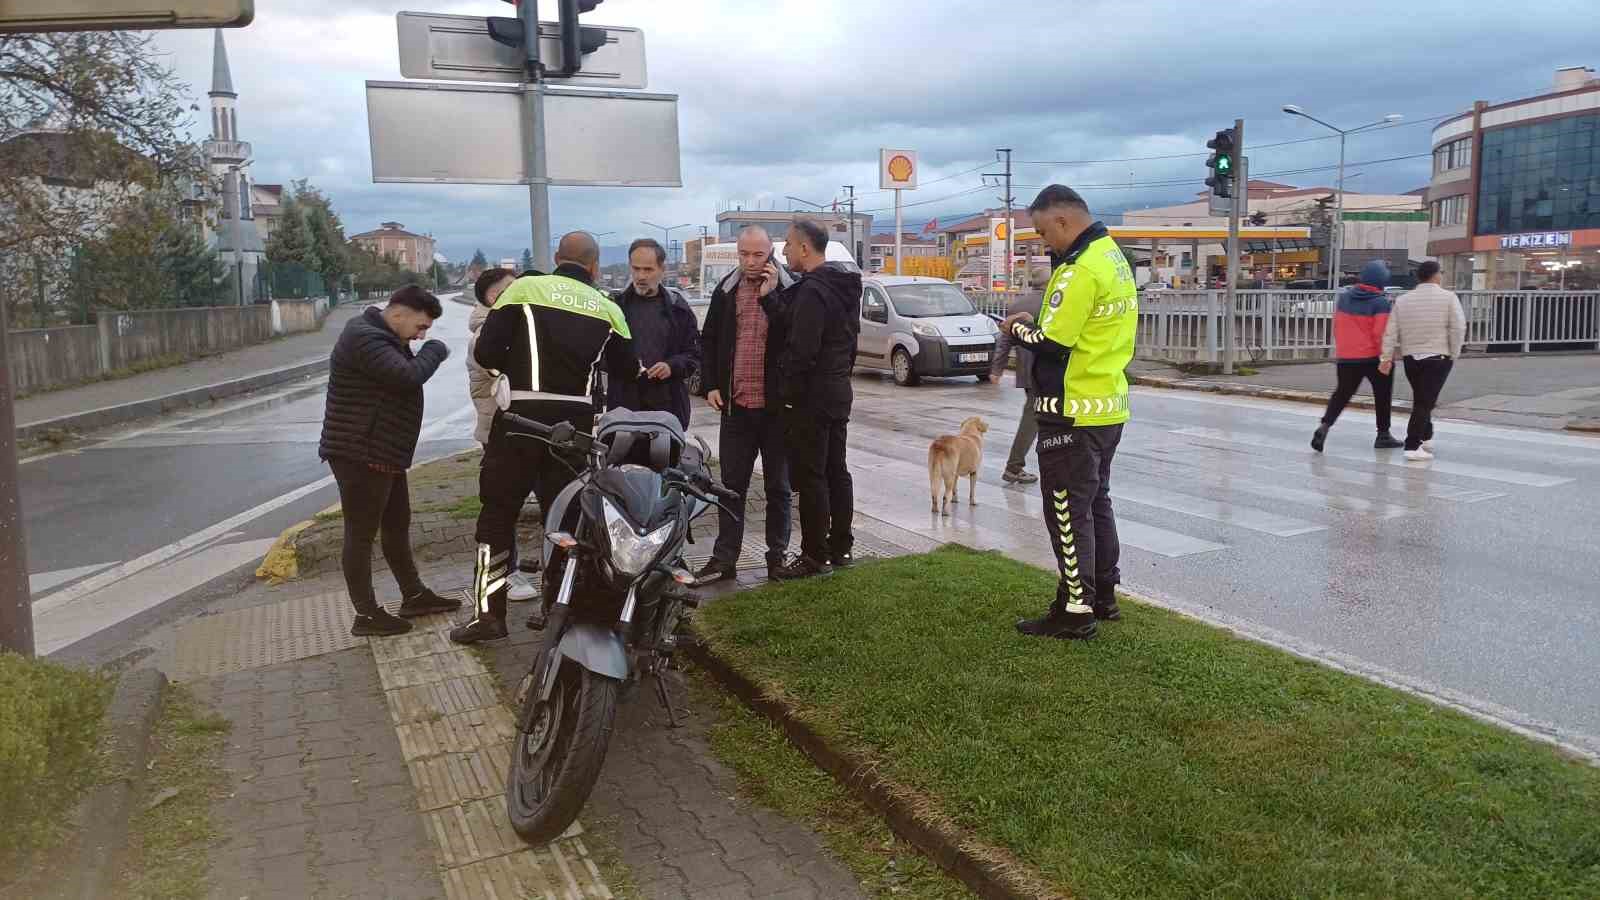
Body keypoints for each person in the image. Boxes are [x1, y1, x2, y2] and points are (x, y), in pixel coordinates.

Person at [450, 232, 637, 644]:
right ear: (592, 266)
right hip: (574, 430)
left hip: (519, 420)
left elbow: (486, 354)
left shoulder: (523, 289)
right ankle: (557, 609)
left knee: (496, 516)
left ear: (556, 258)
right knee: (567, 521)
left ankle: (488, 615)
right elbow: (628, 367)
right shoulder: (609, 308)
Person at [1002, 185, 1137, 641]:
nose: (1044, 243)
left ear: (1061, 221)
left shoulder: (1079, 270)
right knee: (1097, 500)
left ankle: (1075, 610)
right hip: (1106, 402)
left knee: (1065, 508)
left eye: (1043, 231)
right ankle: (1104, 595)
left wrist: (1019, 329)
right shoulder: (1114, 258)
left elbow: (1054, 342)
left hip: (1072, 408)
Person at [318, 286, 460, 636]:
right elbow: (407, 376)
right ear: (398, 314)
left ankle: (414, 595)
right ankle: (365, 615)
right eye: (421, 326)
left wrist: (421, 347)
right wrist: (435, 350)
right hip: (360, 452)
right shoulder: (365, 337)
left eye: (427, 331)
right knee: (361, 533)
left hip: (382, 451)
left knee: (397, 524)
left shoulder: (383, 336)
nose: (422, 334)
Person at [694, 226, 795, 585]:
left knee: (779, 489)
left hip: (777, 410)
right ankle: (724, 560)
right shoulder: (727, 290)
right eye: (744, 255)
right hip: (736, 408)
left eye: (758, 255)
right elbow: (709, 342)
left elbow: (794, 335)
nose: (751, 262)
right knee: (731, 487)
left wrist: (771, 295)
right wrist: (710, 385)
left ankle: (777, 558)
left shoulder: (790, 287)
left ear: (771, 253)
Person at [763, 218, 861, 581]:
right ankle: (842, 547)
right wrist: (773, 299)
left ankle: (814, 555)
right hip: (838, 391)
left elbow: (801, 349)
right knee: (838, 470)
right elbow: (848, 342)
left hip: (813, 397)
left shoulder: (813, 291)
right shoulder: (845, 286)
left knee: (813, 475)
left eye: (787, 244)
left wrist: (787, 394)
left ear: (805, 248)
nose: (784, 251)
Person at [466, 266, 538, 602]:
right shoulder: (485, 334)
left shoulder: (508, 323)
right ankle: (502, 579)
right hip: (499, 433)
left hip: (525, 430)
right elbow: (510, 368)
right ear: (493, 298)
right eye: (511, 289)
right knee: (500, 511)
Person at [608, 238, 702, 428]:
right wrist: (626, 365)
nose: (641, 276)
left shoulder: (678, 309)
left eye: (648, 270)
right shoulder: (615, 308)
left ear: (662, 270)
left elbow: (694, 355)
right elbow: (600, 355)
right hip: (624, 411)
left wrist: (671, 366)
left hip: (667, 411)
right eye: (636, 269)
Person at [1312, 259, 1405, 452]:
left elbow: (1337, 325)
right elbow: (1381, 334)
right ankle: (1383, 434)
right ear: (1381, 280)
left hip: (1347, 357)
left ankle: (1325, 426)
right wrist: (1387, 358)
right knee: (1382, 395)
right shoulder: (1381, 303)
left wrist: (1344, 349)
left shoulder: (1345, 298)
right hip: (1372, 358)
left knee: (1342, 394)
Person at [1380, 260, 1466, 461]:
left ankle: (1426, 435)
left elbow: (1391, 332)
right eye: (1441, 273)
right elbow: (1458, 328)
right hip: (1438, 356)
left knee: (1422, 397)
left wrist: (1386, 357)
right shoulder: (1448, 298)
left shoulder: (1403, 300)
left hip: (1411, 357)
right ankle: (1412, 444)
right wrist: (1454, 352)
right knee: (1425, 401)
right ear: (1436, 276)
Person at [990, 292, 1040, 486]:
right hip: (1045, 373)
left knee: (1038, 418)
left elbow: (1005, 341)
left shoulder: (1017, 304)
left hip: (1026, 372)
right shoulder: (1053, 302)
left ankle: (1017, 466)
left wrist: (997, 368)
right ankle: (1014, 467)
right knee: (1035, 419)